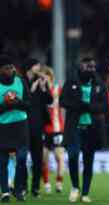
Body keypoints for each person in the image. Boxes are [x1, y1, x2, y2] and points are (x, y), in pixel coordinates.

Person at [60, 57, 108, 203]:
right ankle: (75, 187)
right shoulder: (71, 82)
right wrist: (78, 105)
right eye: (88, 67)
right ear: (81, 67)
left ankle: (85, 193)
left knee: (89, 160)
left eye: (93, 67)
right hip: (74, 127)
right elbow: (63, 101)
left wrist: (88, 107)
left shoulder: (99, 84)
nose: (91, 70)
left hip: (92, 128)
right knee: (73, 156)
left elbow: (104, 106)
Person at [0, 55, 30, 202]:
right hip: (3, 126)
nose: (10, 70)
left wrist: (18, 102)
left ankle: (18, 189)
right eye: (6, 68)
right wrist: (5, 106)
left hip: (20, 125)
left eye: (11, 67)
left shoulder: (20, 82)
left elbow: (29, 104)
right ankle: (5, 191)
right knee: (3, 161)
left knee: (22, 158)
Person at [23, 58, 53, 197]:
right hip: (23, 124)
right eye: (36, 65)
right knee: (21, 157)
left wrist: (43, 87)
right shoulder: (22, 81)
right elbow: (23, 101)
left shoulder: (40, 81)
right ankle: (22, 187)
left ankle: (35, 188)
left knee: (37, 158)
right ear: (30, 67)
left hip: (38, 124)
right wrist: (32, 90)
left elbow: (50, 100)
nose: (39, 68)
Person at [41, 65, 65, 193]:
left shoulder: (57, 90)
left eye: (46, 76)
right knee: (43, 158)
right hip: (44, 129)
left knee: (59, 157)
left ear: (50, 77)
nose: (44, 78)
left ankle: (59, 183)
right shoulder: (39, 91)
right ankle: (46, 183)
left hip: (57, 129)